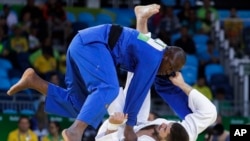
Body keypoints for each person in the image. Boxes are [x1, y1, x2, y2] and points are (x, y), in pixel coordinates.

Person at [7, 4, 186, 141]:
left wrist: (141, 18)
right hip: (93, 45)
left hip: (82, 46)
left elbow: (140, 49)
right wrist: (130, 127)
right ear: (167, 54)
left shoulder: (157, 47)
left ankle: (33, 80)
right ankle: (75, 130)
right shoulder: (155, 58)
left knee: (82, 105)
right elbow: (136, 93)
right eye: (170, 67)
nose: (167, 72)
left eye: (172, 71)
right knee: (109, 89)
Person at [96, 72, 217, 141]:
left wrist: (112, 126)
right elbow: (209, 112)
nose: (163, 124)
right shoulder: (183, 134)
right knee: (141, 75)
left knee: (108, 90)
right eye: (169, 124)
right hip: (137, 121)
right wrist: (181, 84)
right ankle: (142, 36)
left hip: (114, 133)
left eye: (165, 129)